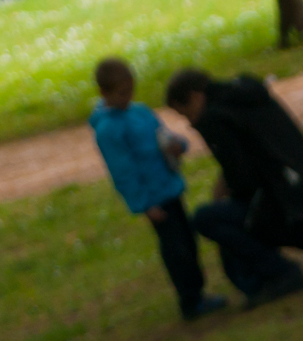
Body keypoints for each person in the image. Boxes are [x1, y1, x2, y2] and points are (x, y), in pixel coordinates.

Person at [165, 67, 303, 306]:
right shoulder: (247, 97)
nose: (189, 122)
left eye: (185, 113)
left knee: (209, 219)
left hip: (294, 213)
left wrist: (231, 197)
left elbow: (243, 179)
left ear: (195, 97)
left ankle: (281, 274)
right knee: (254, 205)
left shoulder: (215, 118)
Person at [89, 57, 226, 322]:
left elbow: (163, 135)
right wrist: (143, 204)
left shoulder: (140, 112)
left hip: (170, 187)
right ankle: (190, 299)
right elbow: (123, 172)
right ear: (104, 93)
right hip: (154, 199)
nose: (127, 98)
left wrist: (178, 145)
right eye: (121, 93)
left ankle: (198, 291)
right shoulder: (108, 130)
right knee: (176, 249)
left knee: (188, 240)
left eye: (130, 90)